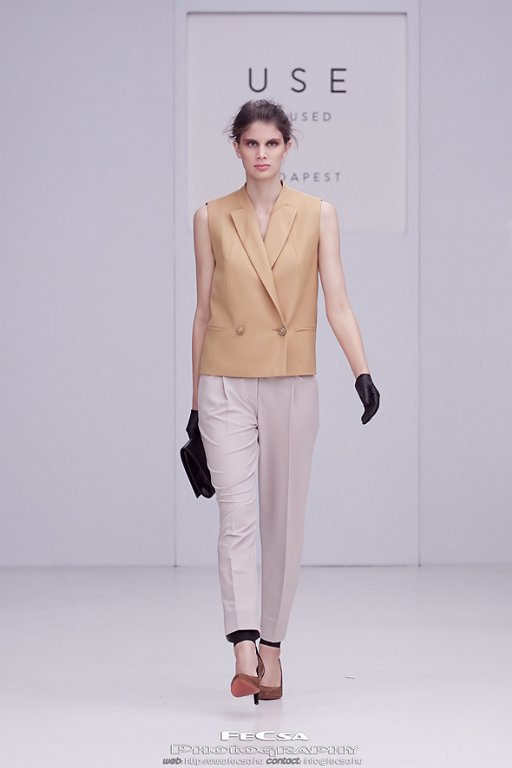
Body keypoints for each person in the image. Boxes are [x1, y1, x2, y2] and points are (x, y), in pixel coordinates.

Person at [189, 99, 380, 704]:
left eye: (272, 143)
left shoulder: (319, 214)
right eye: (251, 143)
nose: (262, 154)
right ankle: (242, 645)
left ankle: (271, 651)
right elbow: (202, 312)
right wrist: (193, 408)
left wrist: (361, 370)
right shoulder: (211, 216)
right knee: (236, 517)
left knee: (284, 522)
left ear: (288, 147)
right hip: (224, 380)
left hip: (292, 380)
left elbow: (337, 301)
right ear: (237, 148)